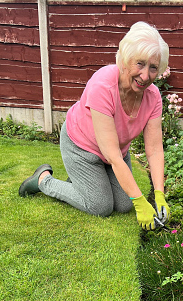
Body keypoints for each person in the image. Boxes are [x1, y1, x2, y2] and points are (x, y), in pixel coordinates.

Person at [19, 21, 170, 230]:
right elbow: (113, 157)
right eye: (140, 64)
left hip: (115, 150)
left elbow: (154, 150)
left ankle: (81, 182)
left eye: (153, 67)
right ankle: (44, 180)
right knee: (100, 206)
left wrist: (160, 194)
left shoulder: (153, 97)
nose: (145, 76)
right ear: (126, 59)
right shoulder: (103, 85)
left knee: (124, 204)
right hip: (82, 146)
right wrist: (140, 201)